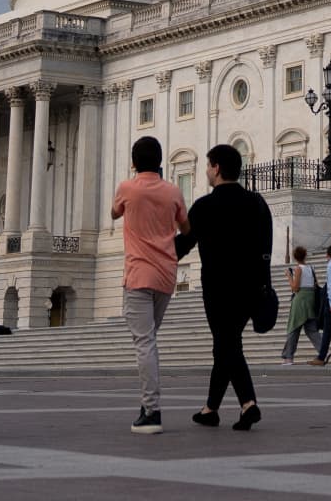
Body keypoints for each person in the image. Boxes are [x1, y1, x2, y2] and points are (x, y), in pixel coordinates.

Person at [175, 143, 272, 431]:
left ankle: (249, 403)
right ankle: (211, 409)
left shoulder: (204, 206)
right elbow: (266, 246)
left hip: (217, 288)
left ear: (216, 168)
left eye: (208, 165)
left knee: (227, 344)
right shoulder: (257, 203)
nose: (206, 170)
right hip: (251, 286)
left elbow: (182, 246)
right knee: (227, 344)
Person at [111, 136, 188, 434]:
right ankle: (148, 405)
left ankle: (151, 410)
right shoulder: (173, 192)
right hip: (166, 276)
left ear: (133, 162)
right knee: (150, 340)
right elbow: (186, 227)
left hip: (138, 274)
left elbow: (114, 212)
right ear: (159, 161)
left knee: (144, 343)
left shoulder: (127, 188)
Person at [279, 245, 320, 365]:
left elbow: (295, 288)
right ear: (305, 255)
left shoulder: (298, 269)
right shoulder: (311, 268)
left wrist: (289, 276)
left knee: (293, 327)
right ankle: (323, 351)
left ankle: (288, 357)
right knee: (311, 329)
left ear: (295, 257)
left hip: (300, 300)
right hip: (311, 299)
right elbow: (315, 284)